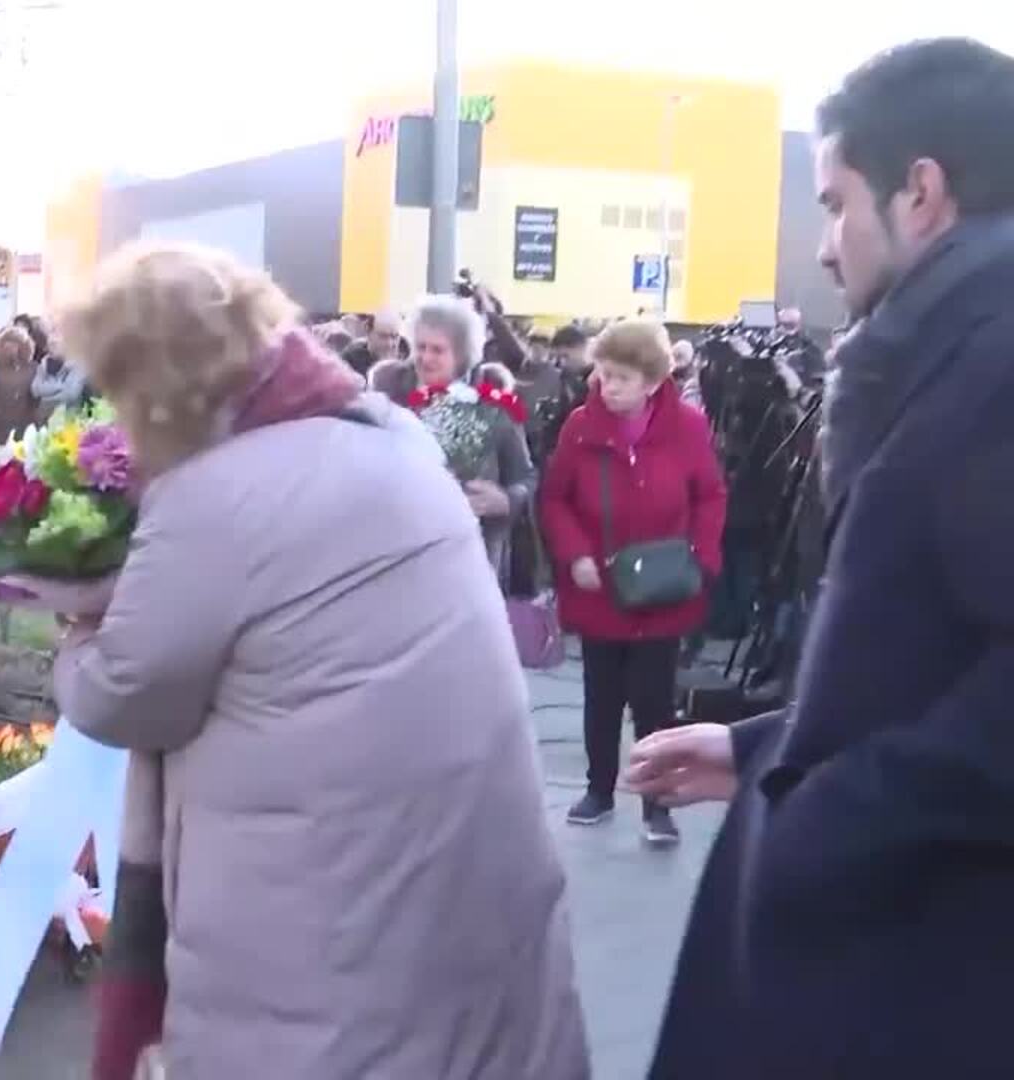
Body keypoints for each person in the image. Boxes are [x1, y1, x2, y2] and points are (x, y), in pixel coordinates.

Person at [59, 244, 588, 1080]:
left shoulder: (211, 497)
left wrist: (76, 627)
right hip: (468, 911)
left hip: (318, 941)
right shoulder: (393, 436)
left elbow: (124, 694)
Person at [627, 39, 1014, 1079]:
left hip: (926, 966)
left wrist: (830, 810)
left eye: (835, 200)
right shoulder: (944, 355)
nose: (829, 245)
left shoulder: (990, 369)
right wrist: (764, 752)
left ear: (920, 192)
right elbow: (926, 653)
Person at [536, 320, 725, 844]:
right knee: (600, 695)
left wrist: (702, 556)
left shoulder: (686, 426)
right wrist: (574, 554)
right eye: (602, 373)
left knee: (655, 703)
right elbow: (555, 499)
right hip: (600, 587)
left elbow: (710, 493)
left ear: (651, 380)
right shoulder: (580, 426)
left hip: (663, 587)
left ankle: (656, 803)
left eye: (620, 376)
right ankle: (599, 788)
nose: (606, 384)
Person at [405, 295, 535, 575]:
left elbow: (526, 477)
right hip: (403, 557)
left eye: (438, 350)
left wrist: (506, 500)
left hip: (474, 559)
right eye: (421, 347)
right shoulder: (391, 400)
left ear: (461, 355)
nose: (426, 358)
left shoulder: (494, 408)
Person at [0, 325, 38, 445]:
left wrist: (33, 412)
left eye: (15, 344)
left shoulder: (33, 368)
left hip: (24, 421)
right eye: (7, 343)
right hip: (0, 422)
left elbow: (37, 394)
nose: (11, 348)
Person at [30, 332, 87, 421]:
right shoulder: (44, 363)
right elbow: (35, 389)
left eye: (55, 345)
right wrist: (60, 386)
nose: (51, 348)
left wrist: (46, 399)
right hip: (46, 417)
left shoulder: (77, 365)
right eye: (50, 345)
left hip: (69, 416)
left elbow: (71, 394)